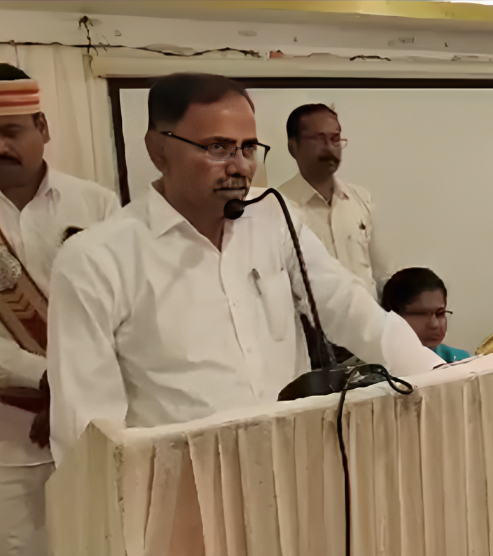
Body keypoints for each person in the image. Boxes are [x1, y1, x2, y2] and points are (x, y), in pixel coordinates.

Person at [47, 73, 443, 464]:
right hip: (184, 494)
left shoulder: (273, 217)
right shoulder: (96, 259)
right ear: (158, 150)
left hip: (295, 468)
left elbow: (349, 308)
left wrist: (441, 379)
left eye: (248, 147)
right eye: (217, 147)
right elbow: (86, 433)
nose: (239, 166)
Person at [0, 64, 119, 556]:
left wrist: (73, 389)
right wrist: (51, 379)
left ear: (43, 126)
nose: (0, 145)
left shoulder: (96, 205)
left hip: (100, 426)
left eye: (11, 130)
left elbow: (127, 312)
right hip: (10, 436)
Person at [277, 104, 387, 297]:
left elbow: (381, 274)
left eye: (335, 139)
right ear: (293, 146)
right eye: (319, 139)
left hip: (367, 324)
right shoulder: (277, 207)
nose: (329, 148)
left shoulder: (360, 199)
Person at [381, 267, 470, 364]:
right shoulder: (380, 370)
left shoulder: (461, 360)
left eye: (440, 313)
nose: (434, 324)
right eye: (422, 314)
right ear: (394, 315)